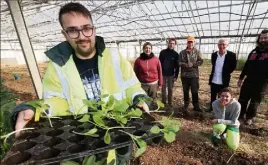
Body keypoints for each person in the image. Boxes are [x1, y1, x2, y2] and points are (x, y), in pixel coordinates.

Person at [11, 2, 150, 165]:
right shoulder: (58, 66)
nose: (82, 36)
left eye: (86, 28)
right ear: (65, 34)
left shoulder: (114, 56)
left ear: (94, 29)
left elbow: (131, 85)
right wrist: (34, 108)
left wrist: (139, 98)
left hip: (117, 132)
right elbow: (55, 100)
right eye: (73, 30)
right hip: (81, 139)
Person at [237, 29, 268, 125]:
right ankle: (240, 116)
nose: (263, 40)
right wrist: (241, 78)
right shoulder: (254, 51)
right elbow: (246, 65)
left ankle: (250, 117)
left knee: (255, 101)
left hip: (262, 82)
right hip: (249, 80)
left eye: (265, 38)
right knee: (242, 99)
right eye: (261, 38)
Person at [209, 39, 237, 111]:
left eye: (224, 44)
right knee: (213, 96)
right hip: (214, 80)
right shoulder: (214, 55)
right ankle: (211, 108)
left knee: (222, 96)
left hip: (224, 80)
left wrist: (226, 73)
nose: (222, 46)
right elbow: (213, 65)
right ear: (218, 45)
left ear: (227, 45)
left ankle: (221, 110)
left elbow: (233, 67)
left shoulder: (232, 55)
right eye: (220, 44)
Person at [179, 36, 203, 112]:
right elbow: (178, 62)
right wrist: (184, 64)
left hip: (194, 75)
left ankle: (196, 106)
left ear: (194, 43)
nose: (190, 43)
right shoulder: (182, 52)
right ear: (187, 43)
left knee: (194, 91)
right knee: (185, 91)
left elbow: (201, 61)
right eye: (189, 42)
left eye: (192, 42)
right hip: (184, 75)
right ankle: (186, 104)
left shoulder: (197, 52)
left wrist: (193, 64)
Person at [159, 38, 180, 107]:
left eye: (173, 43)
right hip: (163, 74)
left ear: (175, 45)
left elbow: (177, 67)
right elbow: (159, 64)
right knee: (163, 89)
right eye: (170, 43)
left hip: (171, 75)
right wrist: (159, 75)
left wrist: (176, 76)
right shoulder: (162, 53)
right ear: (168, 44)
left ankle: (170, 103)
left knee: (170, 89)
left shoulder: (176, 54)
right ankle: (163, 102)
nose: (171, 45)